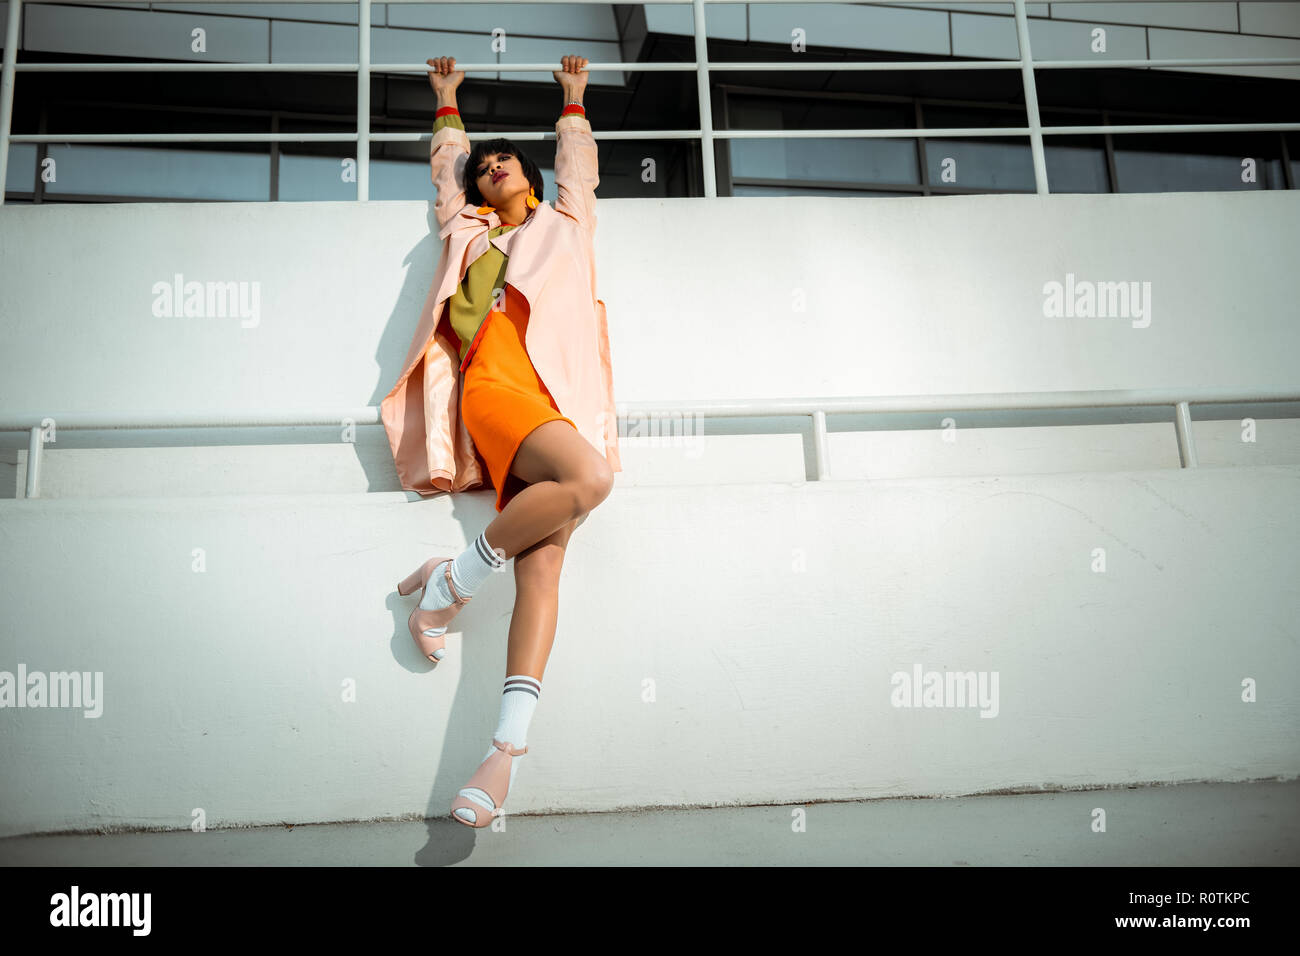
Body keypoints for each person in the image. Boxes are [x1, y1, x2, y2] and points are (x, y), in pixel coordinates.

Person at [386, 55, 620, 828]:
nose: (491, 169)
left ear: (527, 170)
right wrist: (447, 104)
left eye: (504, 159)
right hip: (494, 384)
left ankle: (502, 757)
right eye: (484, 167)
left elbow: (578, 167)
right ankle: (450, 586)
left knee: (543, 572)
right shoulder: (467, 230)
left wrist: (574, 101)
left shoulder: (567, 223)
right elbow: (449, 170)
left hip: (562, 398)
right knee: (590, 480)